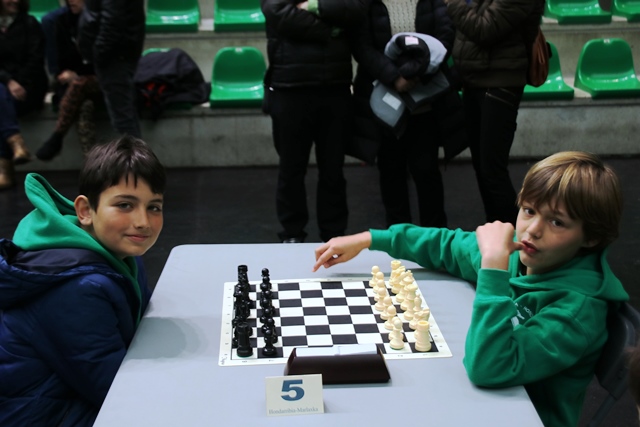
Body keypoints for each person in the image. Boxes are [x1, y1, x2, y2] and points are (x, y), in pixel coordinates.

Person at [313, 151, 629, 427]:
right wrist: (371, 239)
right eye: (529, 210)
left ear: (591, 237)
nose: (532, 230)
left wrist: (493, 269)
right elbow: (448, 245)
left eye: (557, 222)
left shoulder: (577, 312)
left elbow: (488, 369)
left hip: (523, 417)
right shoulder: (521, 254)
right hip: (480, 402)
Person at [0, 136, 165, 426]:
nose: (143, 222)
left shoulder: (120, 251)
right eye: (125, 205)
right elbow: (115, 392)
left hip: (67, 392)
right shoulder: (78, 289)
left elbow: (141, 325)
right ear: (85, 211)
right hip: (38, 415)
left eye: (154, 207)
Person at [261, 0, 368, 243]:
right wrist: (331, 30)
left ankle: (333, 236)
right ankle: (292, 234)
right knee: (291, 169)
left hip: (335, 87)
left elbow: (356, 8)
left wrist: (311, 6)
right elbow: (277, 10)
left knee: (333, 170)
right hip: (290, 88)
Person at [351, 0, 455, 228]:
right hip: (385, 104)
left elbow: (445, 36)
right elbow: (362, 46)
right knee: (391, 173)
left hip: (425, 101)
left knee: (426, 172)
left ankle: (434, 238)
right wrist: (393, 77)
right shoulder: (367, 3)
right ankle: (398, 237)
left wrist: (414, 73)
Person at [445, 0, 545, 225]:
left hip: (500, 83)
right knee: (482, 167)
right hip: (474, 80)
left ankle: (515, 234)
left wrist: (453, 2)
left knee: (492, 170)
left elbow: (484, 29)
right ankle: (495, 228)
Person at [36, 0, 101, 161]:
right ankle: (92, 163)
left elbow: (103, 63)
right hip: (73, 88)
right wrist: (71, 74)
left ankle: (57, 136)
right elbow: (61, 64)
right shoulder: (61, 21)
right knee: (84, 106)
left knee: (80, 82)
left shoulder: (103, 21)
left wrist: (77, 74)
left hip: (102, 83)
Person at [77, 0, 145, 138]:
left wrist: (99, 52)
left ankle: (133, 152)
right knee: (125, 116)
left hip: (114, 56)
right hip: (119, 53)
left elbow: (112, 20)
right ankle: (135, 151)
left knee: (123, 121)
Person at [0, 0, 48, 189]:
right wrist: (8, 82)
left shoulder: (30, 23)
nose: (14, 1)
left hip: (30, 88)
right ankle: (16, 143)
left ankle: (5, 169)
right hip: (5, 88)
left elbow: (36, 58)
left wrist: (18, 82)